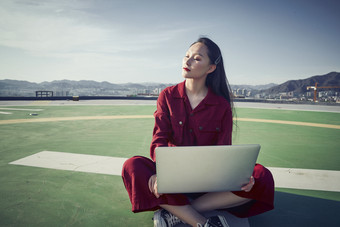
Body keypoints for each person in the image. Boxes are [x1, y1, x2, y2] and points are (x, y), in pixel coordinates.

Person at [122, 37, 274, 227]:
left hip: (209, 181)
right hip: (172, 178)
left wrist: (239, 177)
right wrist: (160, 172)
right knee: (132, 166)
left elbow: (223, 150)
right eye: (186, 56)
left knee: (261, 177)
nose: (188, 61)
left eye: (197, 58)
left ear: (211, 68)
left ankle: (178, 212)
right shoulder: (167, 96)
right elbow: (159, 138)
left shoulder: (222, 105)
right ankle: (201, 222)